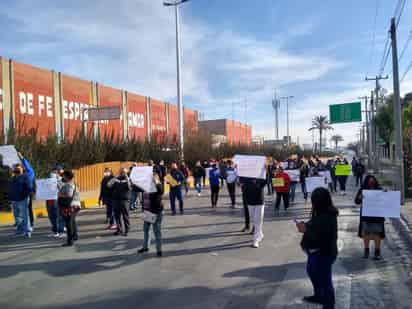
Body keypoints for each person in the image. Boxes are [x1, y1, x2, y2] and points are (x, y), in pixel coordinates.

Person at [296, 187, 338, 309]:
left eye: (314, 200)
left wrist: (306, 230)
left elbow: (322, 238)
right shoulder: (320, 211)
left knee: (325, 280)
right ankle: (319, 295)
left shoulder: (328, 216)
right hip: (314, 252)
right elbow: (313, 223)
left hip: (324, 253)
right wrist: (305, 225)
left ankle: (329, 304)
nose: (312, 203)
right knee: (312, 272)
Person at [355, 175, 385, 260]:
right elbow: (356, 201)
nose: (371, 183)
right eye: (369, 181)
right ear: (366, 182)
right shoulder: (362, 189)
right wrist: (360, 197)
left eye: (373, 181)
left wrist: (386, 193)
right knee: (366, 233)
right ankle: (366, 251)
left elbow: (385, 199)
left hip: (377, 215)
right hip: (366, 215)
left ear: (375, 181)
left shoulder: (379, 189)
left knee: (377, 233)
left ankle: (377, 252)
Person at [138, 172, 164, 257]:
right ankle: (145, 247)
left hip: (156, 212)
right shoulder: (146, 186)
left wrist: (156, 181)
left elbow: (161, 191)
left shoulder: (158, 186)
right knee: (146, 230)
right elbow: (138, 190)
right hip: (147, 211)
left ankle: (159, 250)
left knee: (157, 231)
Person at [9, 163, 33, 238]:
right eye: (16, 169)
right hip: (14, 199)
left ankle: (27, 231)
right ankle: (20, 230)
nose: (17, 170)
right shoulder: (13, 178)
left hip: (23, 199)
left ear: (22, 169)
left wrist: (25, 196)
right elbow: (12, 188)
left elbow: (29, 188)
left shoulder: (26, 176)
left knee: (25, 216)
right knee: (17, 216)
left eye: (18, 168)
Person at [58, 170, 81, 246]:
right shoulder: (72, 183)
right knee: (72, 221)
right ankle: (75, 236)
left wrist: (60, 194)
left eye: (63, 176)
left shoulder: (69, 185)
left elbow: (69, 195)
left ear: (67, 177)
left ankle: (70, 241)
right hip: (75, 205)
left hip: (70, 206)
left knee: (68, 223)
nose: (62, 177)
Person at [243, 177, 266, 248]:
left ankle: (256, 240)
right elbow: (241, 181)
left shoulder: (260, 174)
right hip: (249, 199)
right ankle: (260, 234)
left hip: (259, 200)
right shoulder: (245, 174)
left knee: (258, 220)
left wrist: (267, 169)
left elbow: (265, 181)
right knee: (253, 219)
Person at [108, 168, 131, 236]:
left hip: (124, 201)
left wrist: (127, 178)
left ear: (126, 173)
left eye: (123, 172)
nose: (122, 173)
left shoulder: (128, 180)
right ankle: (119, 230)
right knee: (117, 216)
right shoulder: (116, 179)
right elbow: (109, 185)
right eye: (121, 172)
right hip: (116, 201)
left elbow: (130, 187)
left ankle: (127, 229)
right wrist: (115, 177)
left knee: (125, 216)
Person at [46, 165, 65, 237]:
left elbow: (63, 188)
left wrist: (57, 180)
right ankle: (55, 231)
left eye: (56, 171)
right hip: (49, 200)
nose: (53, 173)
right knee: (51, 216)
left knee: (59, 216)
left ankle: (61, 231)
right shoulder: (49, 179)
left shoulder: (61, 179)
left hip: (57, 200)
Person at [19, 153, 35, 227]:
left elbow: (28, 167)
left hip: (27, 193)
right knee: (22, 208)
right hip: (21, 193)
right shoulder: (20, 175)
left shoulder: (29, 173)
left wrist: (22, 158)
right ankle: (24, 222)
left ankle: (30, 222)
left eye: (22, 167)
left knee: (27, 208)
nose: (21, 167)